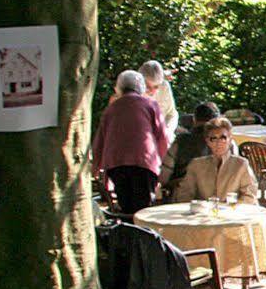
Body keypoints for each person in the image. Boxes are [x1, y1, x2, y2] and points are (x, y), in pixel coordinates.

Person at [92, 70, 171, 214]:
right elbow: (163, 138)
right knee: (144, 208)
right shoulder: (151, 105)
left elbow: (100, 139)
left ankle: (130, 232)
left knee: (126, 205)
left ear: (119, 88)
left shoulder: (110, 109)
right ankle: (143, 233)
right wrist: (164, 165)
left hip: (117, 164)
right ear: (141, 88)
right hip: (144, 162)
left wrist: (96, 167)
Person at [173, 118, 259, 202]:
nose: (218, 142)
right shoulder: (196, 165)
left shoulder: (241, 165)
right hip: (203, 214)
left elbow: (250, 196)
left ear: (230, 140)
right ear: (207, 141)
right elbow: (184, 195)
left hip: (232, 213)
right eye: (213, 138)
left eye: (223, 138)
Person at [161, 101, 221, 195]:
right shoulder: (227, 143)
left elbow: (164, 176)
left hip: (183, 194)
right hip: (217, 194)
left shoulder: (181, 142)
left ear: (194, 119)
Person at [141, 60, 178, 135]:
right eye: (147, 87)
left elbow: (172, 114)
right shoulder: (131, 92)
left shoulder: (164, 86)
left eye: (156, 87)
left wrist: (167, 131)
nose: (152, 91)